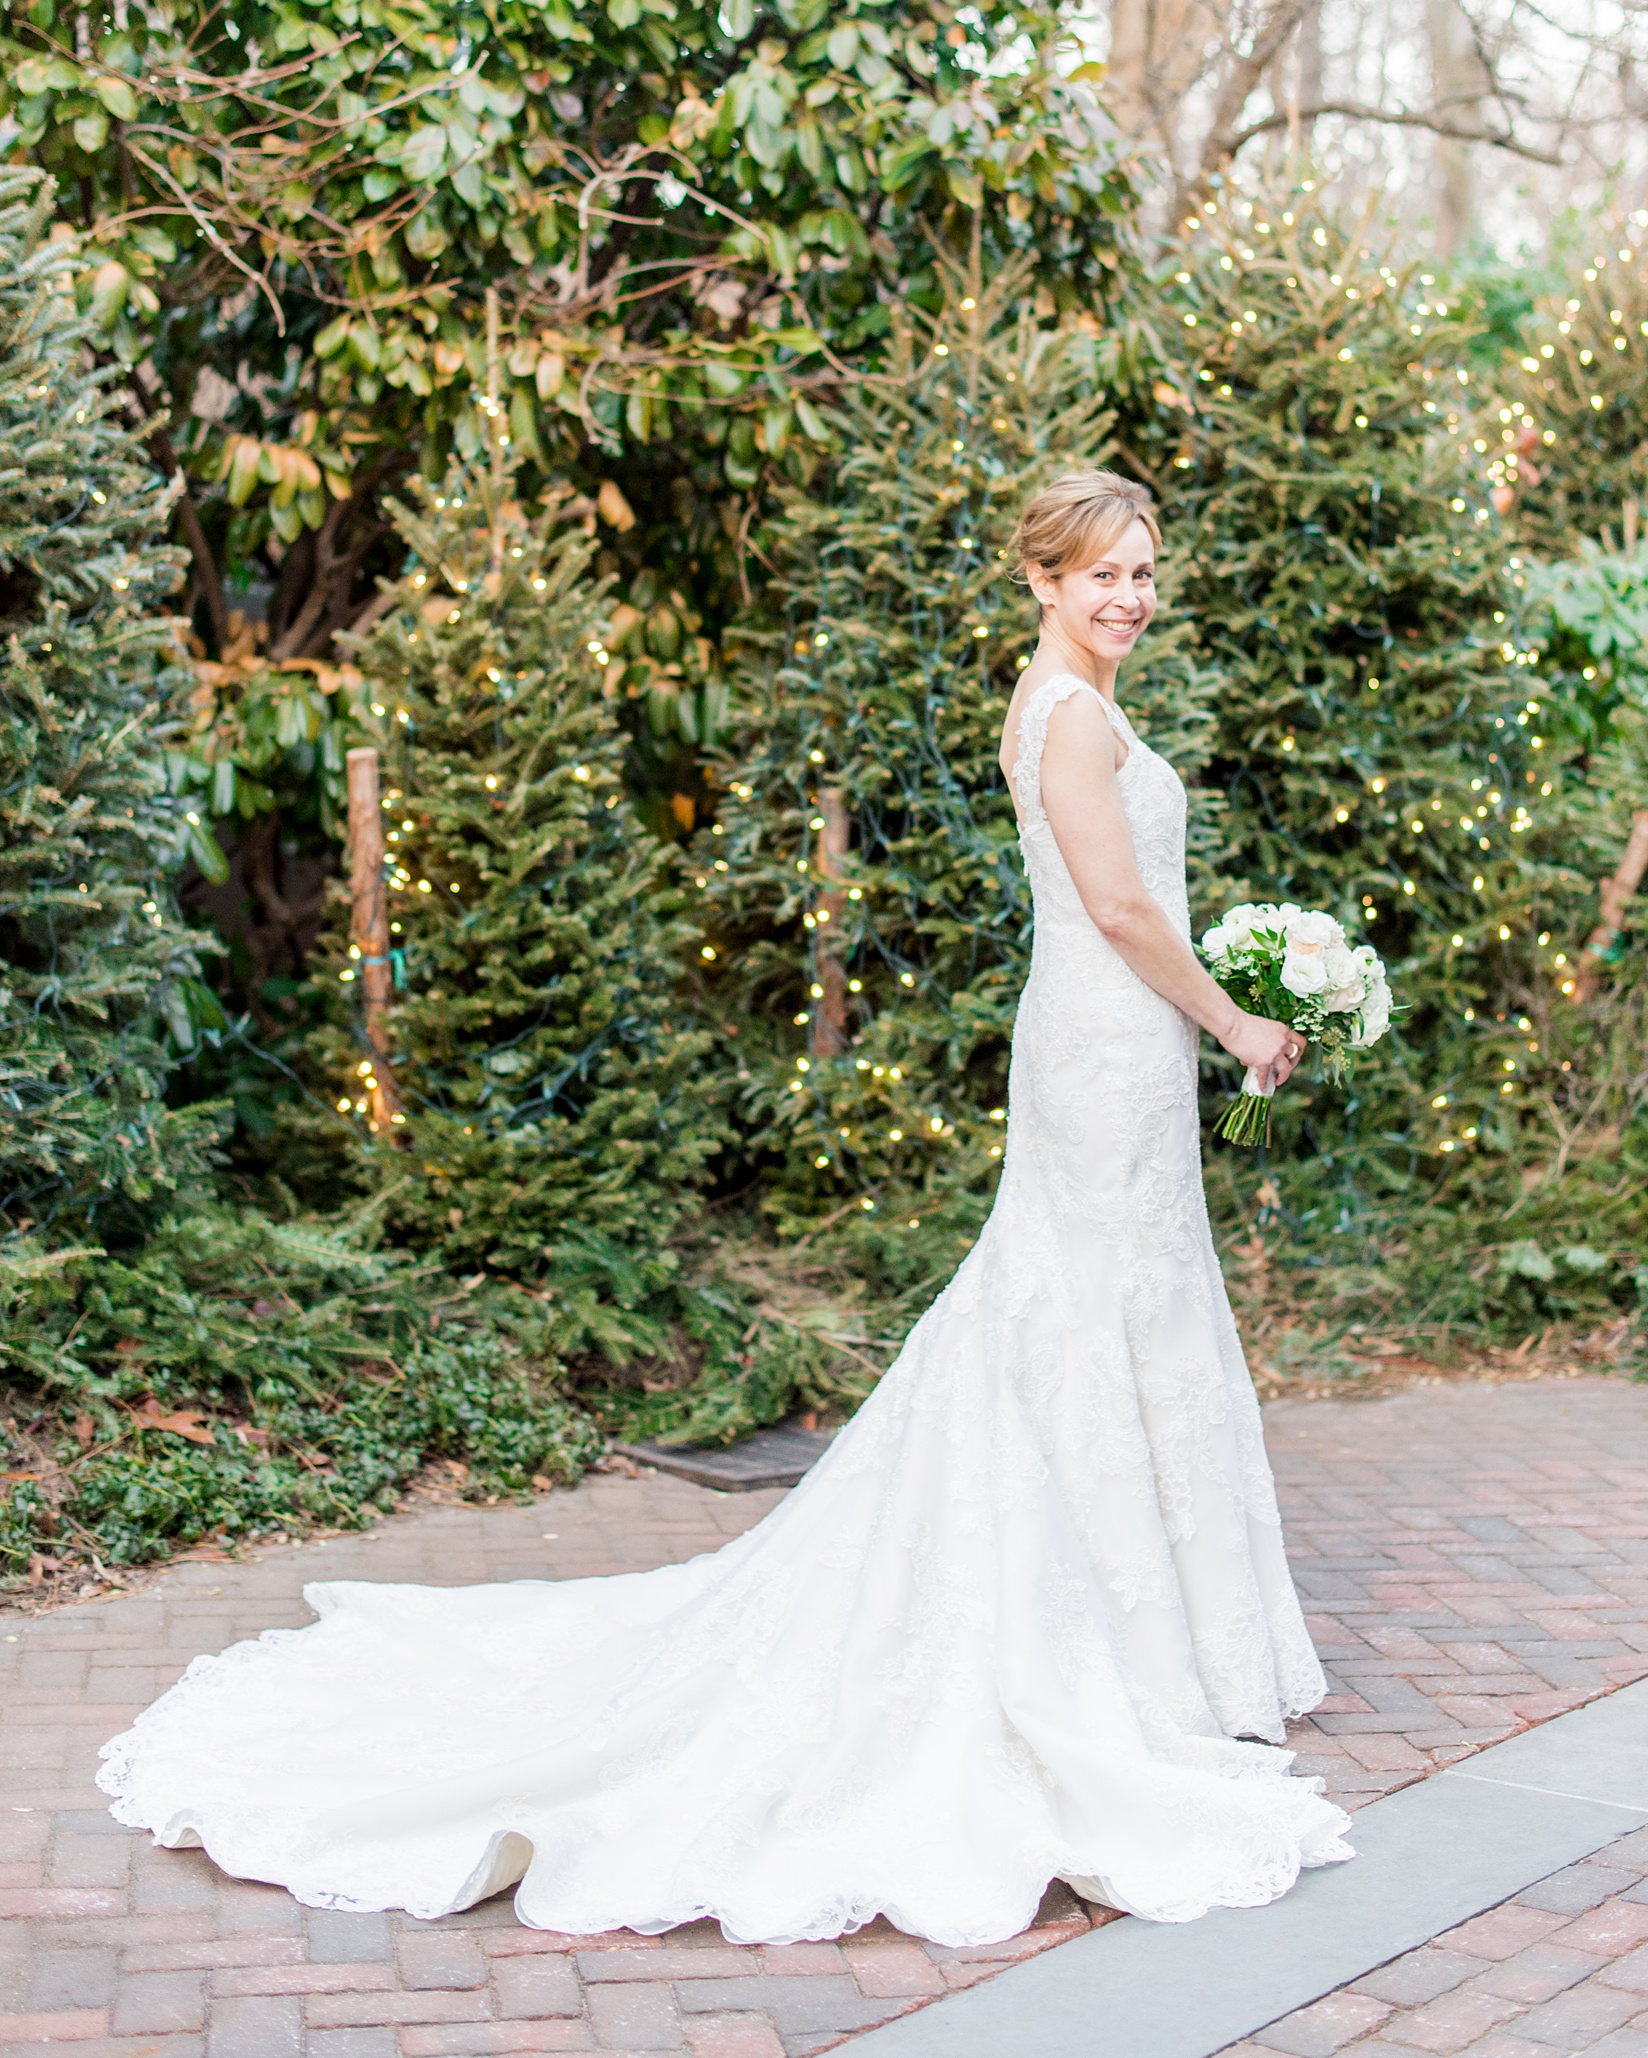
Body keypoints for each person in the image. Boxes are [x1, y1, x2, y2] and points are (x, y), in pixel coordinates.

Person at [100, 467, 1351, 1946]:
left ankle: (1158, 1644)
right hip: (1109, 1035)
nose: (1132, 595)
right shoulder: (1068, 716)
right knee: (1073, 1311)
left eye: (1146, 570)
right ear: (1041, 580)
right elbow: (1130, 909)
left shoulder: (1082, 700)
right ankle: (1101, 1648)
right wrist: (1240, 1022)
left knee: (1113, 1308)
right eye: (1104, 574)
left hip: (1117, 1047)